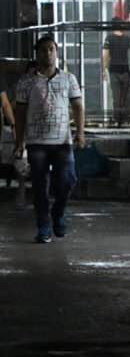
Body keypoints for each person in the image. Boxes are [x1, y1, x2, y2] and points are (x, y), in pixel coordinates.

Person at [13, 36, 86, 243]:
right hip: (36, 142)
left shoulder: (68, 79)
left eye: (51, 49)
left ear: (57, 52)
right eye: (44, 49)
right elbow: (20, 112)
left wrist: (80, 133)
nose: (48, 53)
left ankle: (58, 213)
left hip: (63, 142)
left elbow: (78, 107)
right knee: (39, 186)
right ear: (37, 53)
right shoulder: (26, 82)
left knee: (66, 181)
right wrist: (20, 142)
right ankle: (43, 226)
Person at [102, 16, 130, 126]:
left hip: (113, 69)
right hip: (125, 69)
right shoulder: (127, 38)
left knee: (116, 96)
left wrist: (103, 69)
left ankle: (117, 119)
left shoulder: (109, 38)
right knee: (126, 96)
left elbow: (106, 55)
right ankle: (126, 118)